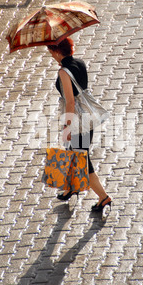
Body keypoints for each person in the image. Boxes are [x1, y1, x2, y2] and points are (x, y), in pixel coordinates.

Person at [47, 37, 111, 213]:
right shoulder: (80, 63)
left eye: (51, 52)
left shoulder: (64, 72)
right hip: (88, 119)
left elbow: (70, 102)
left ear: (58, 52)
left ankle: (104, 198)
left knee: (83, 161)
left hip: (77, 122)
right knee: (75, 154)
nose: (51, 55)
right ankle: (72, 188)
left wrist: (67, 128)